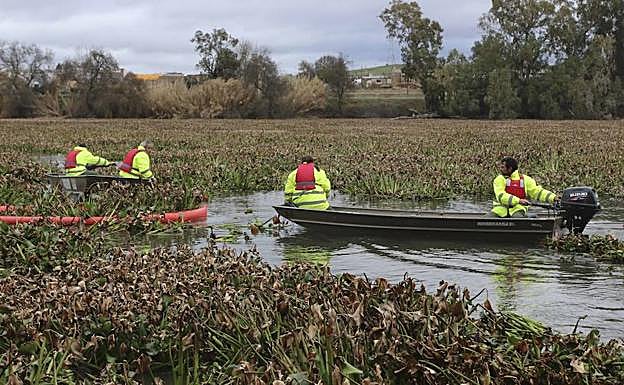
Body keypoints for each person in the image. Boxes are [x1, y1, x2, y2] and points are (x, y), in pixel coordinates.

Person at [492, 156, 558, 217]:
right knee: (486, 219)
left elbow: (537, 192)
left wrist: (553, 197)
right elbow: (501, 196)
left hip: (518, 208)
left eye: (503, 167)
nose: (500, 169)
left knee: (517, 218)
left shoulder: (526, 179)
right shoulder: (499, 179)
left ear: (510, 168)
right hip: (500, 209)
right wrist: (519, 200)